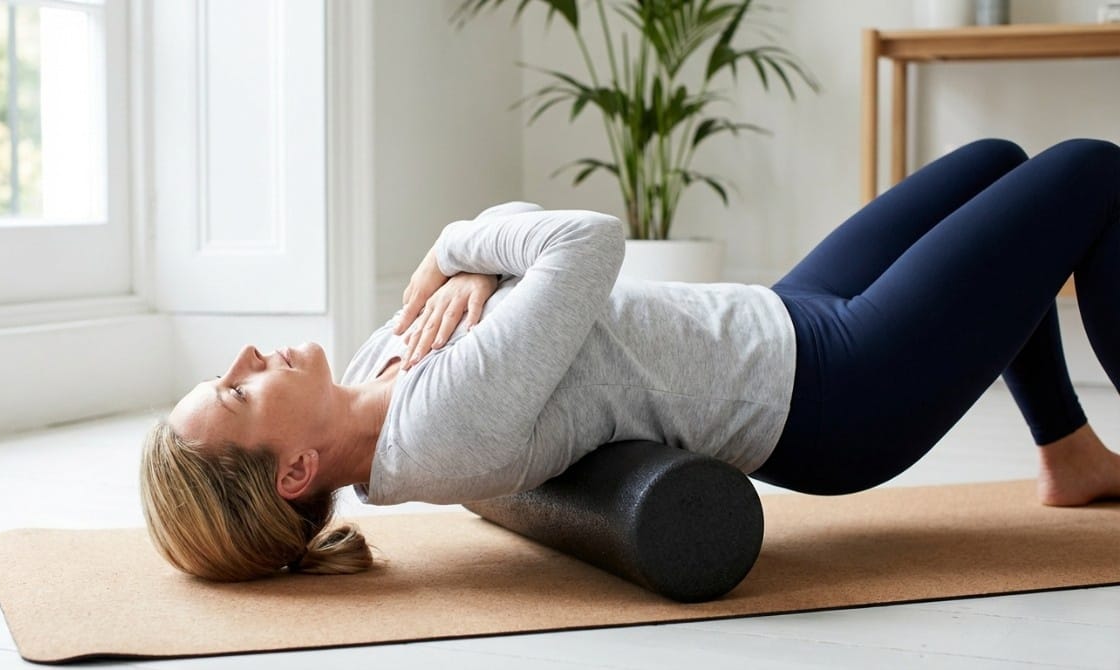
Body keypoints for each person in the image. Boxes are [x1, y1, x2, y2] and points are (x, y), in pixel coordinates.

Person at [141, 138, 1120, 582]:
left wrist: (486, 257)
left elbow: (529, 235)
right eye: (238, 387)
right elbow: (583, 242)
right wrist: (457, 250)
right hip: (837, 390)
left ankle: (1068, 453)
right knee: (1088, 171)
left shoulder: (373, 367)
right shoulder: (435, 425)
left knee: (993, 161)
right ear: (297, 470)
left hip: (781, 315)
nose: (249, 354)